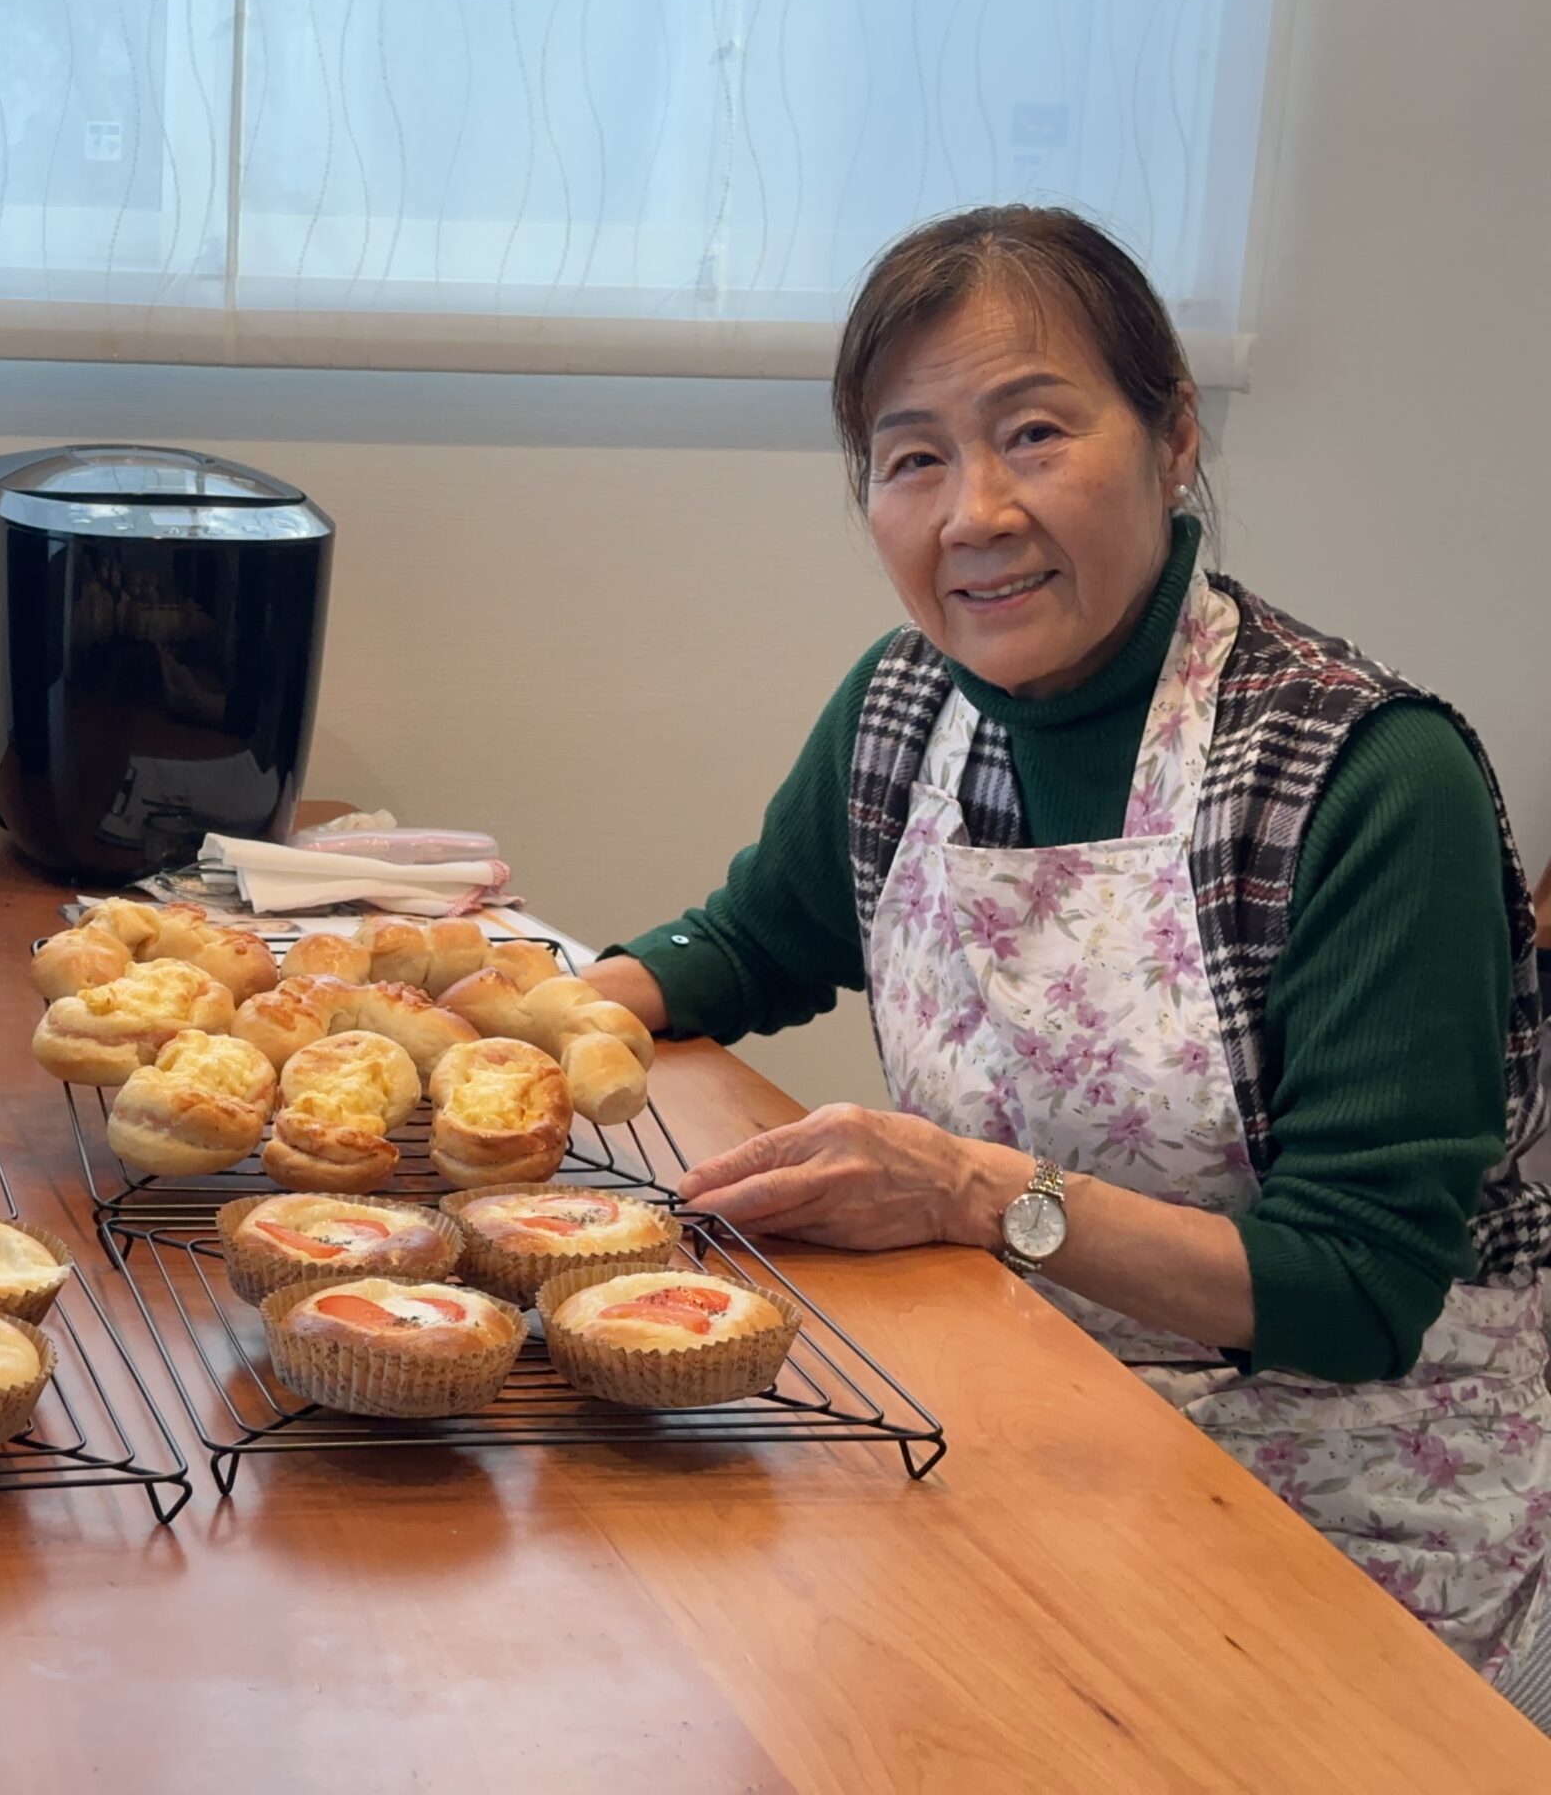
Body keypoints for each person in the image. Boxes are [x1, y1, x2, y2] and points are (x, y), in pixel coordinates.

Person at [584, 206, 1550, 1679]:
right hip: (1031, 1409)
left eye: (1033, 434)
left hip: (1356, 1515)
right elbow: (754, 940)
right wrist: (538, 1009)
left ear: (1172, 439)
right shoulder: (909, 706)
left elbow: (1355, 1291)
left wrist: (983, 1196)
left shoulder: (1364, 776)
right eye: (913, 458)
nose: (974, 512)